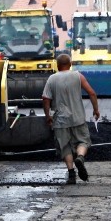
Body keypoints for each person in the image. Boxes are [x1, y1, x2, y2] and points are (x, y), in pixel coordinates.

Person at [42, 53, 100, 184]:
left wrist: (48, 116)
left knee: (65, 147)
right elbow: (92, 93)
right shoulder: (77, 76)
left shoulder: (52, 79)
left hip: (60, 120)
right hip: (78, 117)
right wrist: (96, 110)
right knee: (83, 141)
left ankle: (71, 174)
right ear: (70, 64)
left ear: (57, 66)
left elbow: (45, 98)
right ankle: (80, 157)